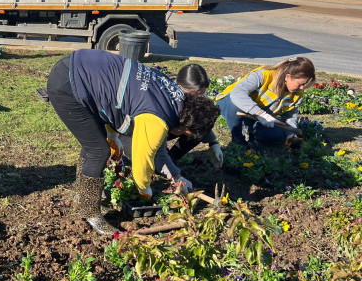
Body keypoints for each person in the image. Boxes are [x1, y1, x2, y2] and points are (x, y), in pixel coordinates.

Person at [47, 49, 220, 235]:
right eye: (186, 134)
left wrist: (175, 176)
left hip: (83, 68)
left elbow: (121, 102)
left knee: (94, 144)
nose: (180, 136)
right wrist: (145, 189)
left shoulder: (174, 96)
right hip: (70, 84)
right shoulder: (157, 120)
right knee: (98, 150)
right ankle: (91, 213)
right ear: (186, 126)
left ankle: (84, 194)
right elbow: (142, 160)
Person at [110, 64, 224, 193]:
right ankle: (148, 164)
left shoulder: (186, 95)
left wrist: (213, 143)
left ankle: (170, 160)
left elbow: (200, 122)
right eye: (197, 95)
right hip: (129, 131)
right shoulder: (163, 107)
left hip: (166, 126)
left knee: (195, 130)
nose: (199, 98)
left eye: (202, 95)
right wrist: (176, 176)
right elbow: (158, 149)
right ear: (182, 88)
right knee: (148, 156)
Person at [216, 57, 315, 147]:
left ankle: (249, 129)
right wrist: (261, 114)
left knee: (277, 133)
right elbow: (237, 94)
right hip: (229, 103)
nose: (302, 88)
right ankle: (238, 138)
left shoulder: (297, 93)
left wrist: (291, 136)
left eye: (305, 84)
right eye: (301, 84)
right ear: (288, 77)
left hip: (253, 115)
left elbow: (289, 116)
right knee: (236, 104)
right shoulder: (264, 75)